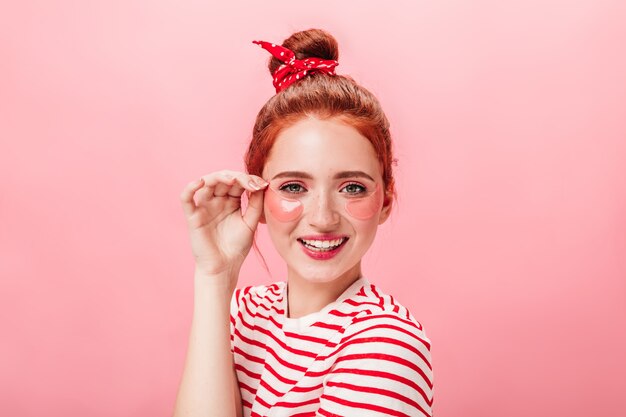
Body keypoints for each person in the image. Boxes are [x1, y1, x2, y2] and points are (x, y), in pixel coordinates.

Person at [173, 28, 434, 417]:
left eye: (352, 188)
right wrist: (215, 277)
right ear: (258, 195)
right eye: (294, 186)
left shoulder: (386, 345)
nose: (323, 218)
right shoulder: (243, 313)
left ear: (386, 200)